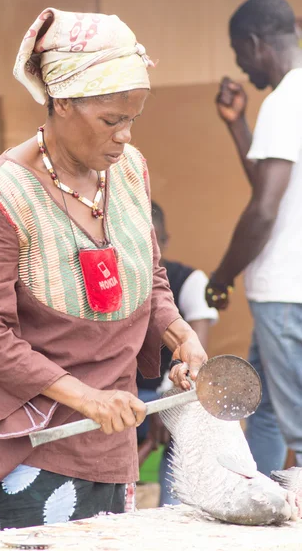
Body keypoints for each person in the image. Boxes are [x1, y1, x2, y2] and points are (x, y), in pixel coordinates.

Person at [0, 7, 207, 533]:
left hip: (111, 445)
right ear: (61, 102)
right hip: (30, 450)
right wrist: (85, 398)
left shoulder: (128, 171)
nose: (125, 136)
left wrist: (179, 334)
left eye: (133, 119)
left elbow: (147, 274)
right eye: (111, 120)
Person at [205, 0, 302, 476]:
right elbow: (271, 186)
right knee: (264, 411)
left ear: (256, 42)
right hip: (288, 291)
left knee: (299, 429)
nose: (241, 66)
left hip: (284, 293)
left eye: (238, 51)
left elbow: (264, 210)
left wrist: (221, 276)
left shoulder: (285, 102)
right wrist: (237, 124)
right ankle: (260, 503)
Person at [137, 201, 218, 506]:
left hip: (167, 391)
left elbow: (196, 359)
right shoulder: (108, 280)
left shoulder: (189, 280)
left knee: (190, 414)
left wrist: (167, 403)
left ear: (166, 242)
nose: (147, 252)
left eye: (155, 242)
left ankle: (175, 509)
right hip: (117, 394)